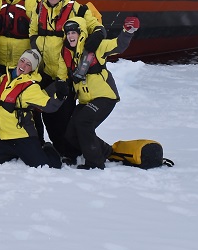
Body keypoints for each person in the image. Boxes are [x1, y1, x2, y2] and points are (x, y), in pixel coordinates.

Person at [29, 0, 101, 148]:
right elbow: (32, 32)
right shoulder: (39, 9)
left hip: (67, 73)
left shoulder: (78, 8)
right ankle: (58, 146)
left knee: (64, 113)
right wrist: (36, 44)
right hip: (46, 71)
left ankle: (69, 149)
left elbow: (96, 27)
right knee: (47, 112)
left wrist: (94, 40)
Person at [60, 16, 140, 168]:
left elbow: (118, 45)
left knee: (83, 122)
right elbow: (61, 71)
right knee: (71, 132)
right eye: (68, 33)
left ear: (81, 33)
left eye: (74, 33)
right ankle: (104, 151)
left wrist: (127, 31)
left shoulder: (96, 46)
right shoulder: (67, 54)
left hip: (104, 97)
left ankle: (95, 162)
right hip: (85, 100)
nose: (70, 36)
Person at [0, 48, 66, 169]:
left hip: (23, 138)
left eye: (28, 64)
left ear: (32, 69)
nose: (23, 65)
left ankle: (47, 147)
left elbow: (49, 106)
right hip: (5, 138)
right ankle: (15, 154)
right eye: (22, 61)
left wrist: (61, 96)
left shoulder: (31, 87)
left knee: (47, 166)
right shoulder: (8, 78)